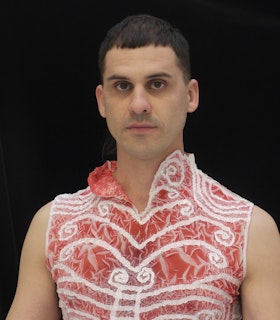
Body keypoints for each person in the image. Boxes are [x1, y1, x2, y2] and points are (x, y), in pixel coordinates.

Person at [6, 14, 280, 320]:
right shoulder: (52, 225)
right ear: (101, 101)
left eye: (157, 84)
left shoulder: (249, 230)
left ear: (191, 95)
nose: (139, 104)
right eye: (122, 86)